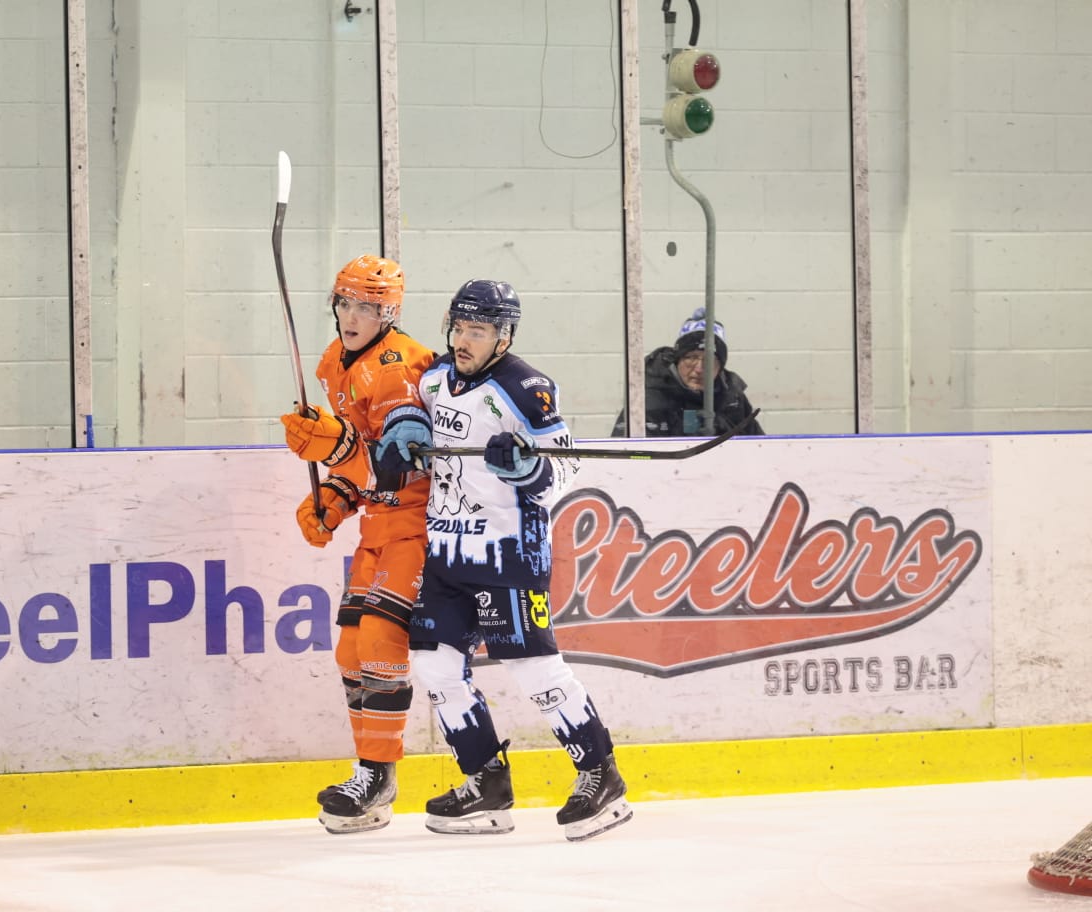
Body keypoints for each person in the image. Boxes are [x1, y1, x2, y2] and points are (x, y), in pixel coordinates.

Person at [375, 279, 633, 843]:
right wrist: (404, 437)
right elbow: (416, 431)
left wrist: (529, 468)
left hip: (507, 554)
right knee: (435, 665)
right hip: (447, 554)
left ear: (504, 336)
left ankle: (601, 774)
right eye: (459, 328)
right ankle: (486, 781)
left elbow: (565, 467)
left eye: (478, 330)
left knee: (532, 667)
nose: (463, 340)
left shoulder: (525, 388)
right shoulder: (435, 379)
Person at [280, 254, 435, 834]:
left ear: (387, 313)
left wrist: (337, 445)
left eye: (366, 307)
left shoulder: (402, 365)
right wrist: (336, 498)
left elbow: (397, 464)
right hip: (377, 527)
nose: (351, 315)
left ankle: (378, 775)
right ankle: (370, 775)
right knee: (349, 652)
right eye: (344, 302)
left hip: (416, 524)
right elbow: (362, 469)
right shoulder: (332, 363)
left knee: (378, 643)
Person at [611, 307, 765, 437]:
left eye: (709, 361)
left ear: (720, 368)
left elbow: (759, 447)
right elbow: (626, 452)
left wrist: (724, 429)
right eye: (691, 358)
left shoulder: (733, 398)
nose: (699, 369)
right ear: (677, 360)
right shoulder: (647, 397)